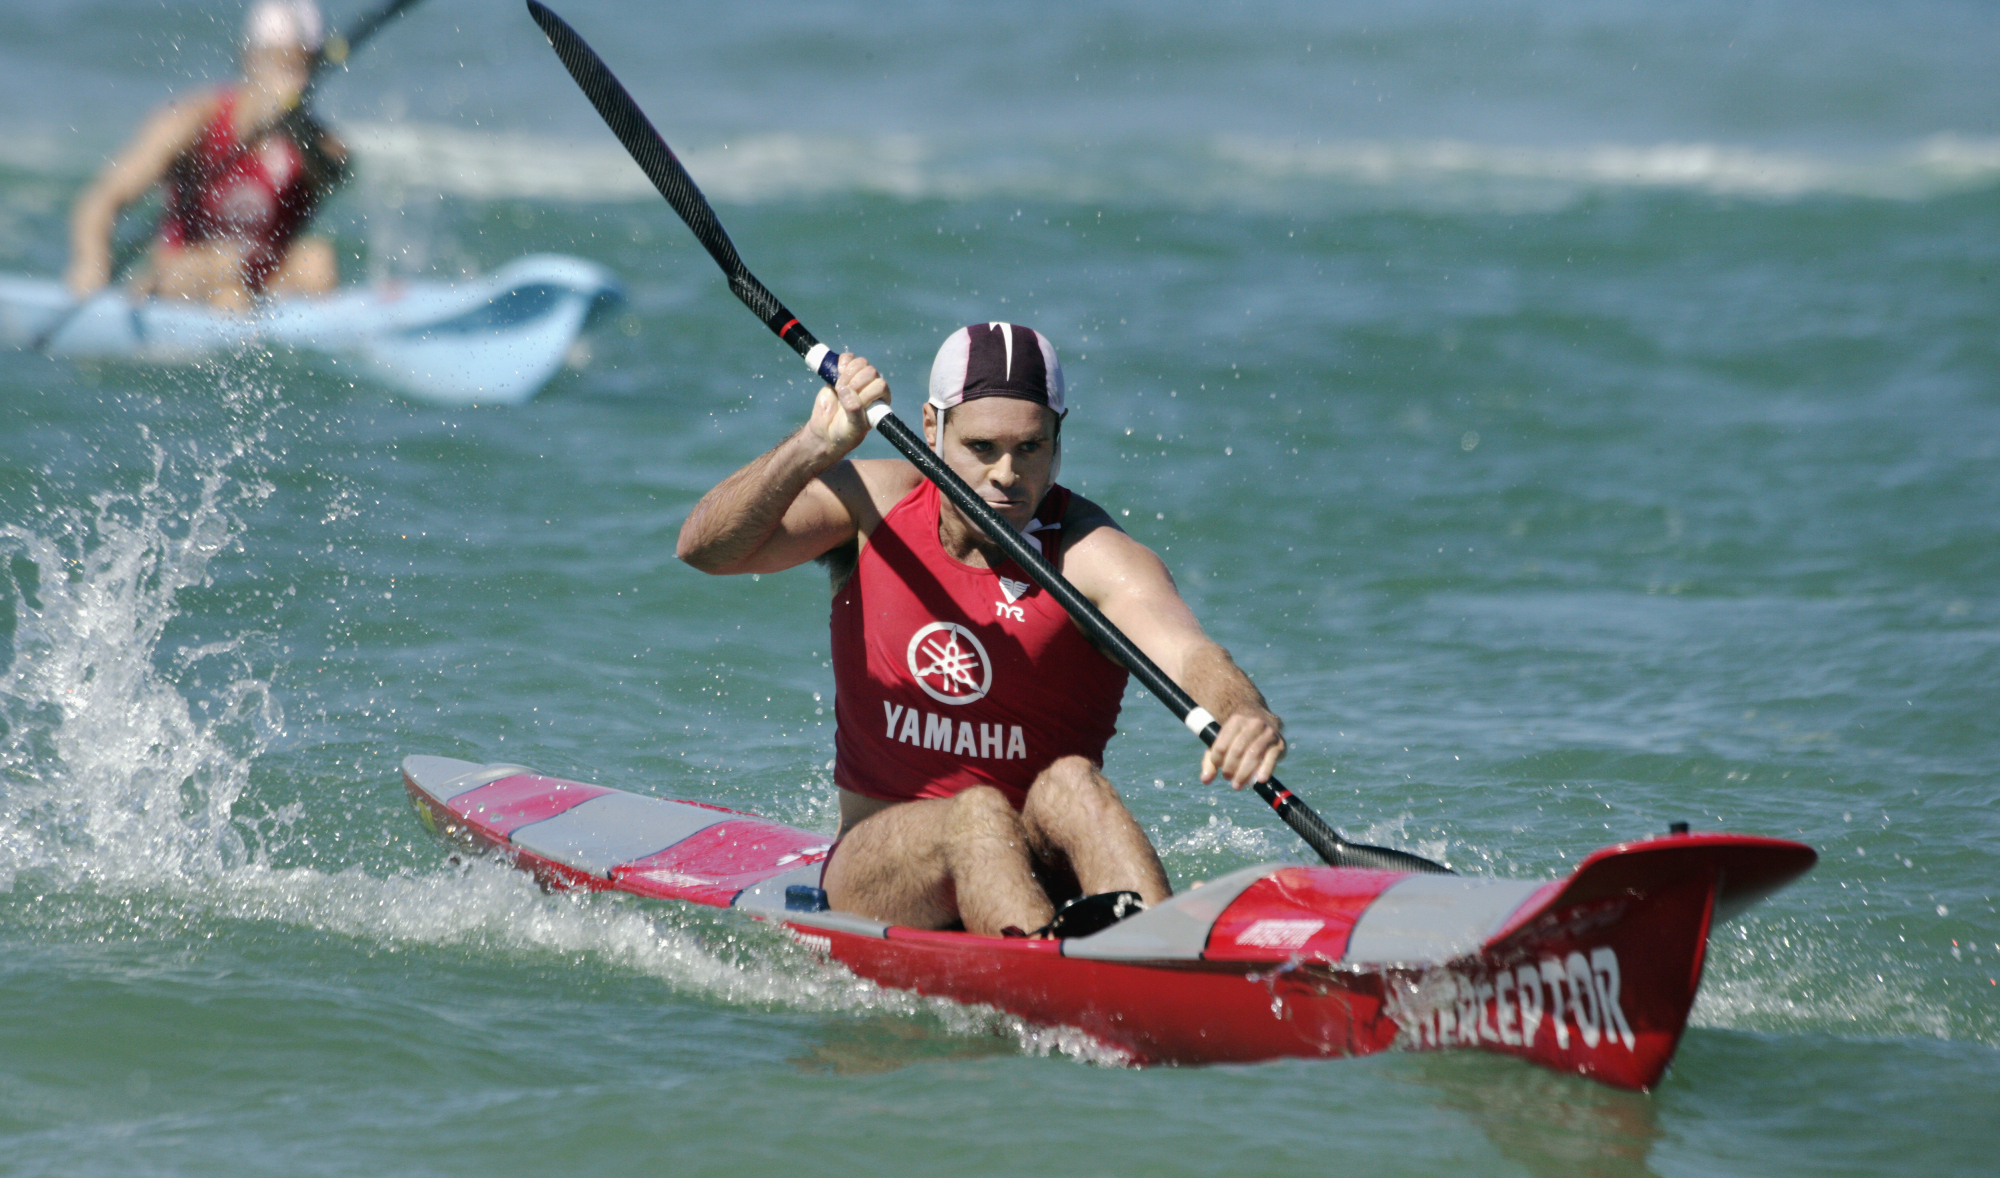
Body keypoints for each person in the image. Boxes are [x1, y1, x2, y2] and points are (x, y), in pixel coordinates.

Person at [677, 322, 1288, 937]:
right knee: (978, 814)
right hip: (881, 871)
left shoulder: (1091, 555)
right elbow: (706, 550)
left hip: (1035, 862)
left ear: (1057, 438)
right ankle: (1048, 970)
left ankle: (1160, 953)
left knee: (1073, 785)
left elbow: (1189, 654)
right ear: (931, 426)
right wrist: (813, 445)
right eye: (982, 447)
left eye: (1030, 448)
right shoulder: (874, 503)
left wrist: (1243, 713)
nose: (1006, 473)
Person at [65, 0, 348, 312]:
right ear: (250, 59)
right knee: (225, 268)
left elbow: (333, 175)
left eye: (305, 66)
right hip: (187, 272)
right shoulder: (194, 122)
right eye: (283, 64)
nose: (298, 82)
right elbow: (102, 199)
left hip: (262, 278)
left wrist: (296, 131)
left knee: (318, 261)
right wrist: (91, 263)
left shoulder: (317, 143)